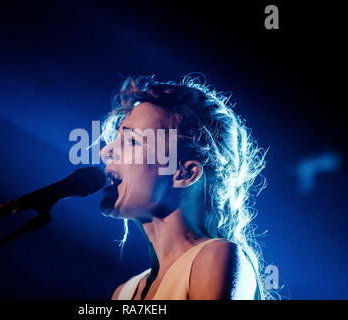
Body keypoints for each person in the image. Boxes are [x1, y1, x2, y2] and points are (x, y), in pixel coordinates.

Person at [98, 74, 269, 300]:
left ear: (184, 173)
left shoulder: (215, 257)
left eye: (132, 141)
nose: (105, 152)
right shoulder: (123, 293)